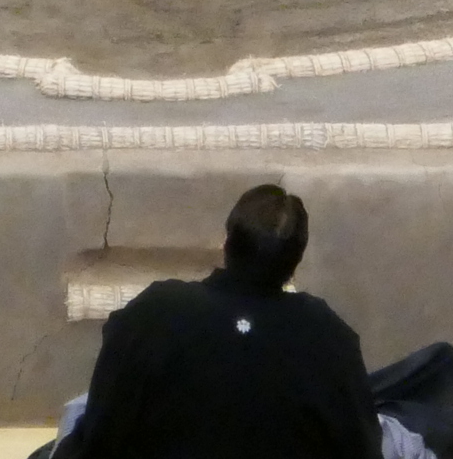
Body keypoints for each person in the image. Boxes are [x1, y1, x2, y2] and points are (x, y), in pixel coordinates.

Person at [59, 186, 377, 458]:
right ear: (296, 259)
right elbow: (361, 446)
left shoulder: (154, 312)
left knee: (79, 410)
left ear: (226, 242)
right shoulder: (326, 334)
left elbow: (101, 432)